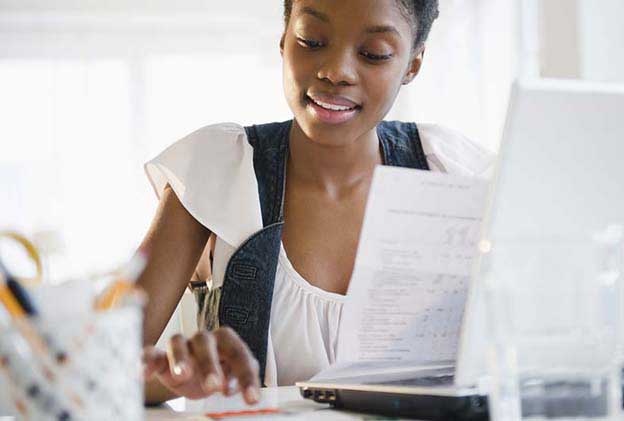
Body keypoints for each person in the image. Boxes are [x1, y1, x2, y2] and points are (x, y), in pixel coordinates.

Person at [138, 0, 494, 405]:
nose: (335, 71)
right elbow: (92, 367)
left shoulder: (451, 174)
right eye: (311, 41)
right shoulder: (215, 171)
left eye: (373, 54)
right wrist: (181, 378)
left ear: (412, 65)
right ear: (284, 39)